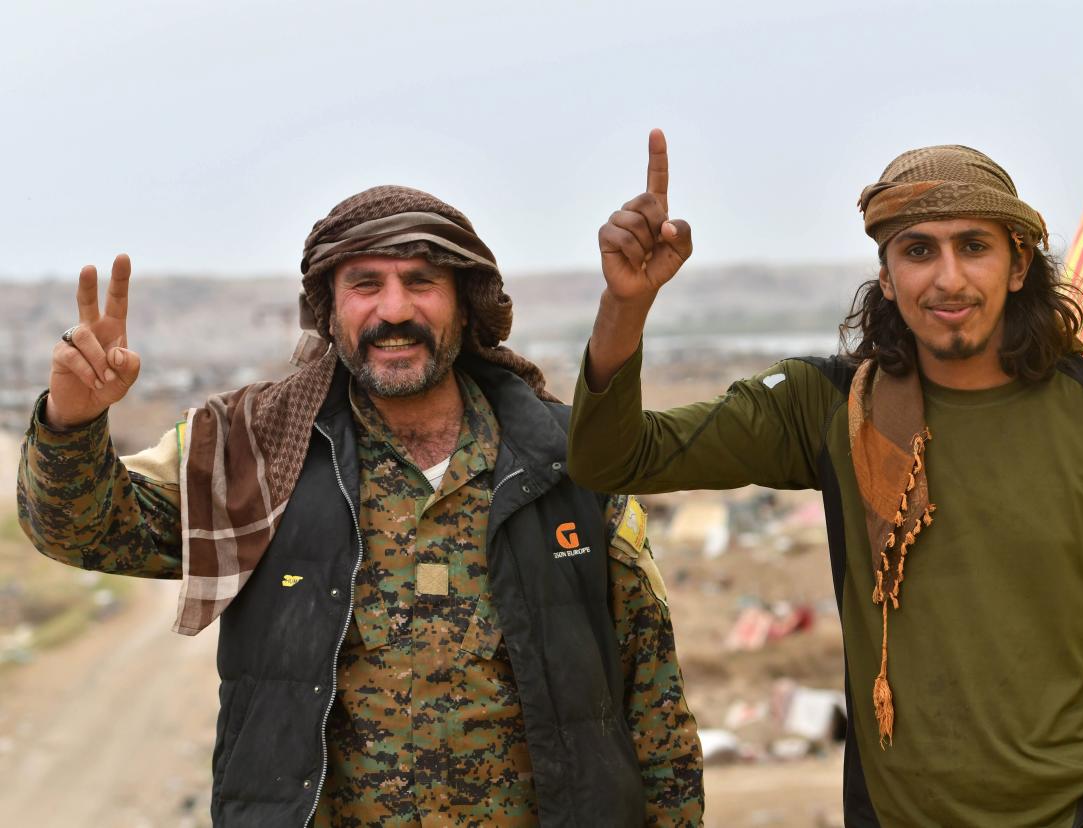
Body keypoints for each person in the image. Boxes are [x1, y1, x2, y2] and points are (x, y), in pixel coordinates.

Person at [567, 131, 1083, 827]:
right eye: (919, 250)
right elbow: (615, 461)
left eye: (974, 246)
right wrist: (626, 306)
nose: (948, 278)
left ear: (1018, 264)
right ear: (887, 277)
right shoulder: (828, 408)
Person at [17, 185, 703, 827]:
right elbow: (86, 531)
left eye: (421, 283)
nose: (395, 310)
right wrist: (71, 426)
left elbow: (652, 696)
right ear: (330, 309)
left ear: (464, 303)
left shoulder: (569, 457)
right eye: (366, 284)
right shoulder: (255, 453)